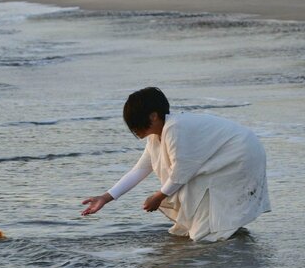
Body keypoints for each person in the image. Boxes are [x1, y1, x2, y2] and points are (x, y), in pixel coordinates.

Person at [81, 87, 271, 241]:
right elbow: (141, 169)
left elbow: (181, 172)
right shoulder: (157, 135)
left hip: (240, 154)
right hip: (230, 155)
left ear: (153, 116)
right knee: (197, 204)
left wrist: (158, 196)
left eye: (134, 121)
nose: (132, 128)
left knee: (202, 210)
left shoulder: (174, 127)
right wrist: (105, 198)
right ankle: (226, 237)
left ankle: (225, 245)